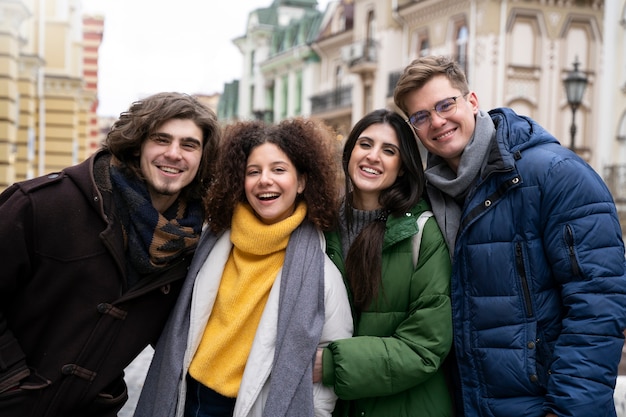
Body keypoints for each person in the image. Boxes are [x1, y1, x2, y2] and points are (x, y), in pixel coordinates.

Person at [393, 55, 626, 417]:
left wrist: (566, 411)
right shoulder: (430, 196)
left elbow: (599, 305)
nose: (437, 121)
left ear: (472, 102)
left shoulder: (556, 174)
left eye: (445, 105)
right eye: (421, 116)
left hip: (546, 405)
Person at [0, 92, 221, 417]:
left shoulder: (189, 246)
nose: (174, 154)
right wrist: (11, 383)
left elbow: (192, 345)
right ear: (137, 145)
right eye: (161, 139)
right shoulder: (44, 205)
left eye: (189, 145)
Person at [133, 117, 353, 417]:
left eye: (278, 169)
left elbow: (326, 366)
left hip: (254, 406)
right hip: (187, 396)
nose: (265, 180)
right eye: (253, 171)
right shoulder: (210, 240)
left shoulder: (322, 274)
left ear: (301, 181)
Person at [315, 108, 453, 416]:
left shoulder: (422, 232)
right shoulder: (318, 227)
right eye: (365, 144)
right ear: (349, 153)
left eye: (389, 151)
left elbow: (425, 346)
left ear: (402, 167)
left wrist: (331, 363)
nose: (372, 156)